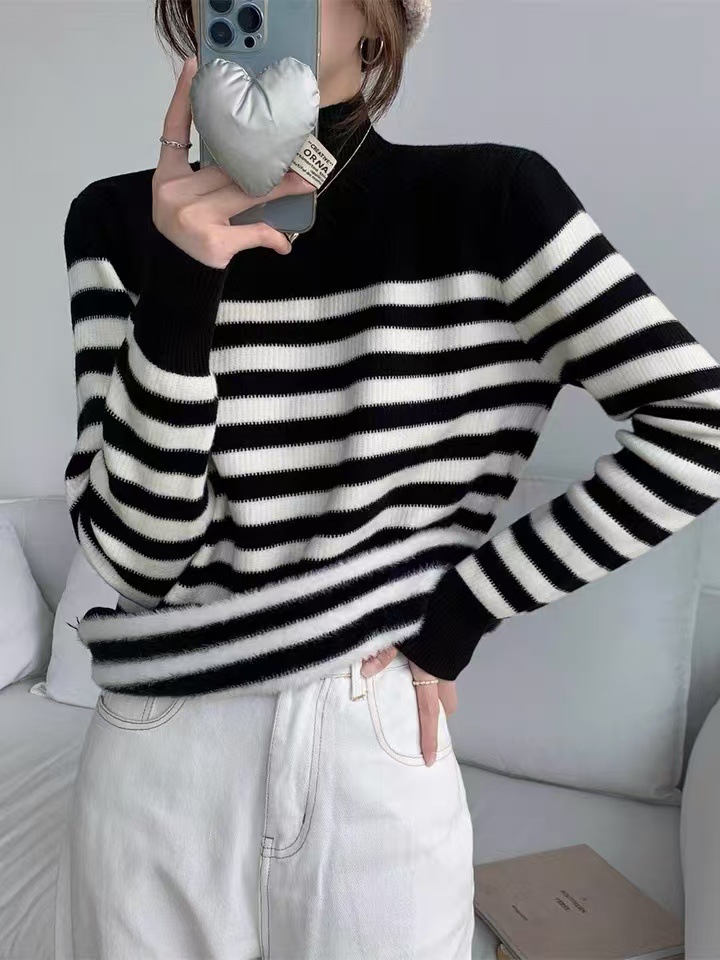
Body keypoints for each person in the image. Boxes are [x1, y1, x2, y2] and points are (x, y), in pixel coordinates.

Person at [54, 0, 720, 957]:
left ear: (380, 26)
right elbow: (136, 560)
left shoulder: (492, 204)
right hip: (154, 748)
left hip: (368, 730)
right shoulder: (114, 221)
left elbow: (696, 429)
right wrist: (184, 283)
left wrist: (462, 614)